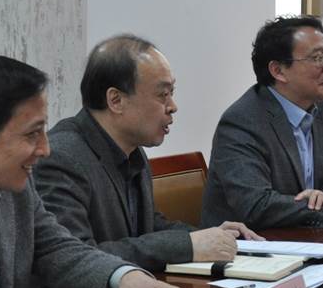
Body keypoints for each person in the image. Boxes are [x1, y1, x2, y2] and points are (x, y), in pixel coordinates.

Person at [0, 55, 183, 288]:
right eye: (32, 134)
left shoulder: (13, 188)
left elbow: (56, 248)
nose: (45, 149)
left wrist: (123, 276)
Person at [35, 35, 260, 273]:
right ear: (116, 100)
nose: (173, 106)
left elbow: (147, 226)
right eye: (163, 95)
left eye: (172, 92)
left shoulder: (132, 149)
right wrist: (188, 245)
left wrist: (210, 236)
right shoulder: (62, 157)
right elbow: (75, 257)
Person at [201, 16, 323, 229]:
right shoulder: (242, 122)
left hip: (313, 238)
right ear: (278, 70)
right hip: (251, 243)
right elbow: (256, 205)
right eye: (317, 58)